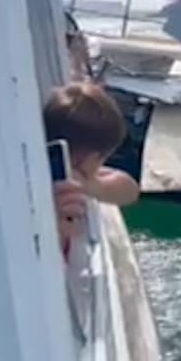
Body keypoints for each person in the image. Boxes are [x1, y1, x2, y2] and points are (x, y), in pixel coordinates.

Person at [45, 82, 140, 256]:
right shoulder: (58, 190)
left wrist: (90, 185)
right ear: (92, 158)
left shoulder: (83, 178)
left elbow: (130, 189)